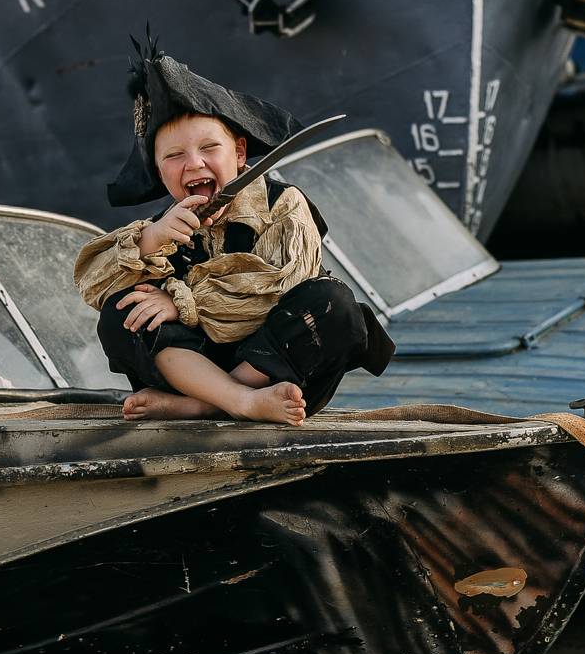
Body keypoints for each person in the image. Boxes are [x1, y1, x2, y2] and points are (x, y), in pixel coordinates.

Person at [74, 34, 394, 426]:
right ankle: (233, 399)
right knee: (121, 310)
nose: (194, 164)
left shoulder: (283, 205)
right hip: (195, 368)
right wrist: (151, 239)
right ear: (159, 172)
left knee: (334, 302)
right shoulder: (164, 226)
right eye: (174, 155)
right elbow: (92, 284)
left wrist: (182, 302)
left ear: (239, 153)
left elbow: (277, 286)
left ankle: (208, 404)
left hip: (278, 372)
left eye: (209, 148)